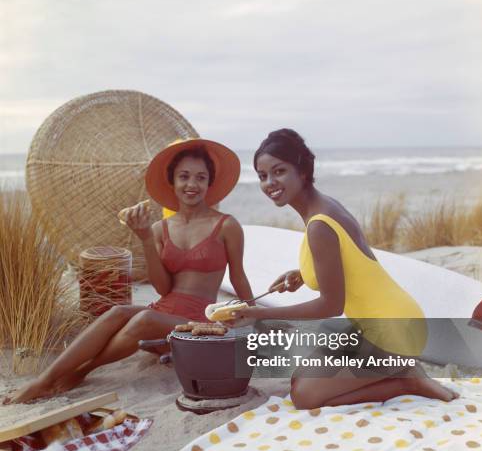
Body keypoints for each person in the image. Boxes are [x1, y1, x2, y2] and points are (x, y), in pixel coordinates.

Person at [8, 138, 253, 403]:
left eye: (201, 177)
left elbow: (238, 275)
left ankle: (80, 371)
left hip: (198, 324)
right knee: (118, 312)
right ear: (172, 181)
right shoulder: (160, 229)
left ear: (209, 183)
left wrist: (254, 317)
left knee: (143, 319)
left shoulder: (227, 226)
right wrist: (146, 238)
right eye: (184, 176)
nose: (192, 185)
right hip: (161, 318)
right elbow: (163, 289)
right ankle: (45, 379)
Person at [231, 128, 459, 409]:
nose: (269, 182)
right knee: (298, 378)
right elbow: (347, 260)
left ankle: (408, 380)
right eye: (262, 175)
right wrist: (302, 275)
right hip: (374, 325)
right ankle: (394, 370)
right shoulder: (323, 207)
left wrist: (259, 314)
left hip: (394, 333)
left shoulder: (319, 225)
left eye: (279, 171)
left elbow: (331, 305)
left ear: (302, 171)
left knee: (304, 397)